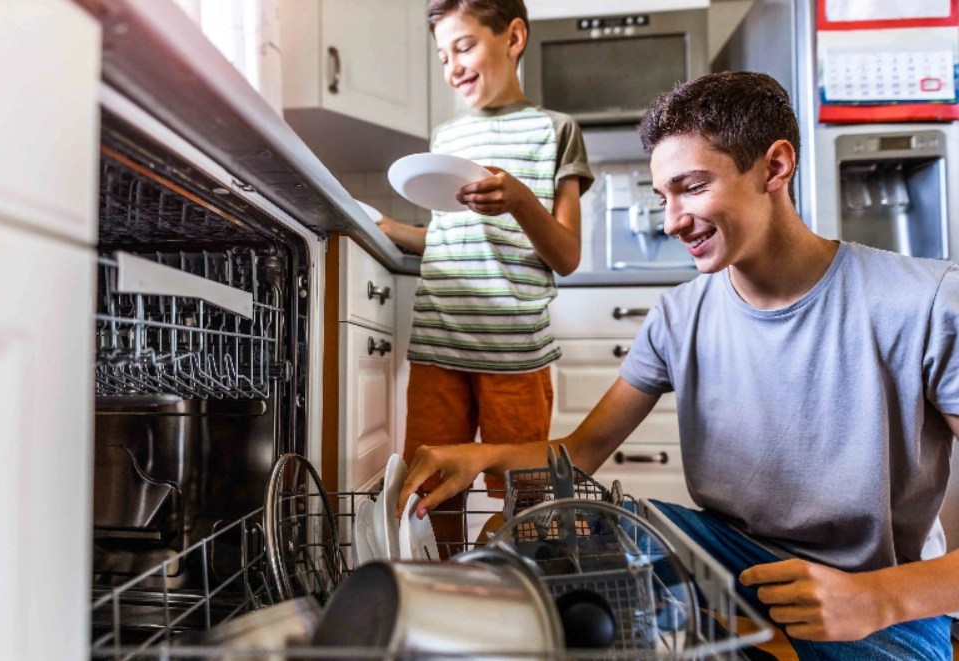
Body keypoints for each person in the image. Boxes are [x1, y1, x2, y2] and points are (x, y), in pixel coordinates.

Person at [396, 71, 959, 659]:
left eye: (691, 187)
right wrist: (476, 458)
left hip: (880, 596)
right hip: (735, 553)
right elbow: (582, 452)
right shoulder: (679, 314)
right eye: (662, 195)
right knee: (568, 526)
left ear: (775, 167)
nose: (670, 221)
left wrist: (879, 600)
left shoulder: (923, 302)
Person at [377, 0, 592, 555]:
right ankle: (442, 602)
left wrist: (519, 197)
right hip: (437, 345)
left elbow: (566, 254)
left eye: (464, 45)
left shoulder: (556, 132)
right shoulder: (445, 135)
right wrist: (385, 228)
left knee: (526, 500)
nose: (453, 65)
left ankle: (507, 596)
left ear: (513, 37)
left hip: (514, 355)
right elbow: (451, 238)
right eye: (444, 54)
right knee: (428, 493)